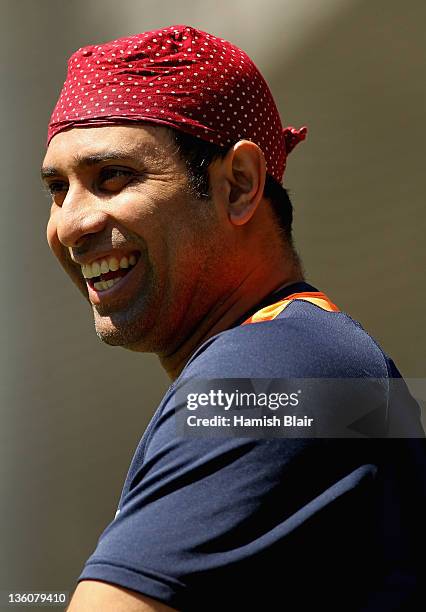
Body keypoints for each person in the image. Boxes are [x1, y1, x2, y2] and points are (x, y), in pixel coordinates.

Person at [42, 24, 425, 612]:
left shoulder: (279, 374)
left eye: (112, 176)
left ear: (239, 186)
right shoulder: (317, 362)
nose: (70, 224)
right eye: (57, 188)